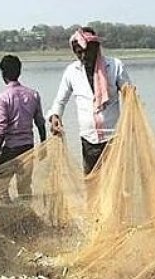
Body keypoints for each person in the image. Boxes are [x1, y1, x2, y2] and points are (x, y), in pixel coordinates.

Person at [47, 27, 131, 175]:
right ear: (75, 52)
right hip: (88, 139)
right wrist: (55, 117)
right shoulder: (72, 72)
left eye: (88, 51)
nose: (84, 56)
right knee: (92, 182)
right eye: (79, 52)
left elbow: (129, 95)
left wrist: (130, 97)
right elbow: (60, 101)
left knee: (116, 181)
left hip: (114, 137)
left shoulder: (115, 66)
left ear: (96, 48)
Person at [0, 55, 46, 204]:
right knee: (24, 187)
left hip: (10, 149)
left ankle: (10, 213)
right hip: (28, 149)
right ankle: (25, 216)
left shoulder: (3, 98)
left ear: (3, 74)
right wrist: (43, 145)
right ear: (19, 72)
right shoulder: (33, 94)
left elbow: (1, 129)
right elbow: (40, 123)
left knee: (0, 187)